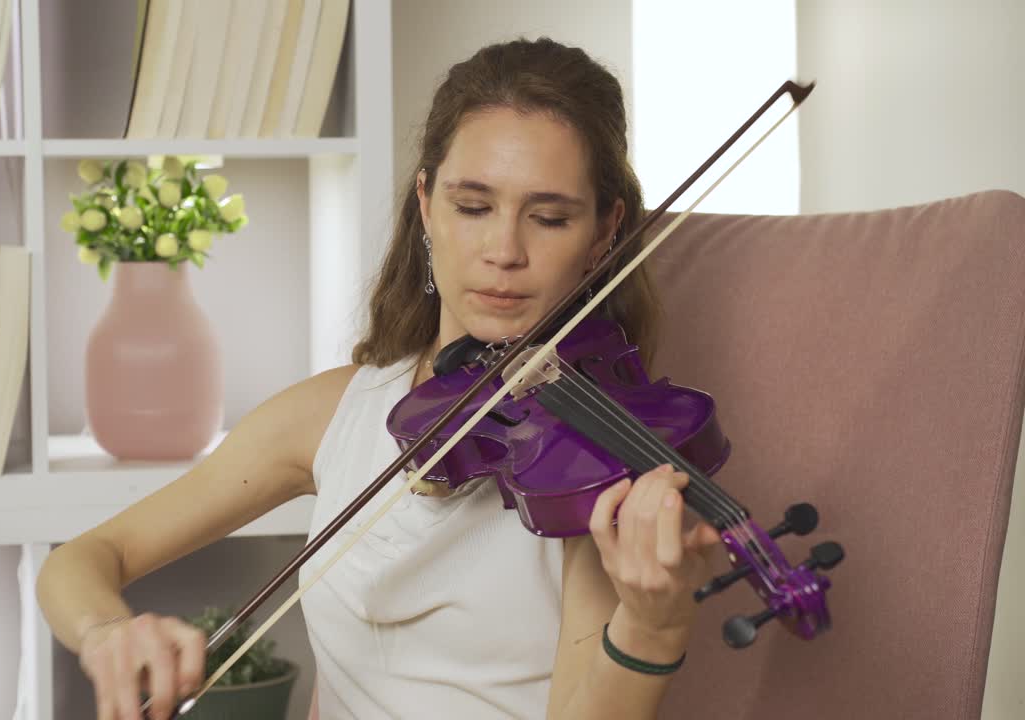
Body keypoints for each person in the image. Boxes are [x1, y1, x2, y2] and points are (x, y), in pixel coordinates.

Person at [36, 36, 724, 720]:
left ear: (604, 232)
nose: (504, 251)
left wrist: (652, 629)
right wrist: (106, 634)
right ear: (426, 203)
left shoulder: (596, 473)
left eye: (549, 218)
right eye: (472, 207)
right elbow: (86, 558)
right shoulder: (336, 411)